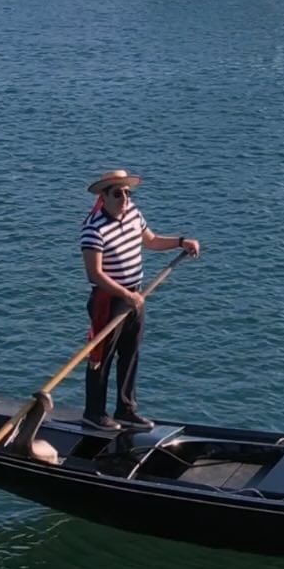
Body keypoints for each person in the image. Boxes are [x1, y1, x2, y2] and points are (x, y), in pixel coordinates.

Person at [80, 168, 200, 431]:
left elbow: (152, 241)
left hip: (135, 295)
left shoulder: (134, 213)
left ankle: (126, 409)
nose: (124, 198)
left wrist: (181, 242)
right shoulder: (93, 228)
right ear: (104, 196)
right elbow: (95, 274)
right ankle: (94, 413)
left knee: (130, 353)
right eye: (118, 193)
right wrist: (126, 295)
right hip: (109, 301)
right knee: (101, 357)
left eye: (127, 193)